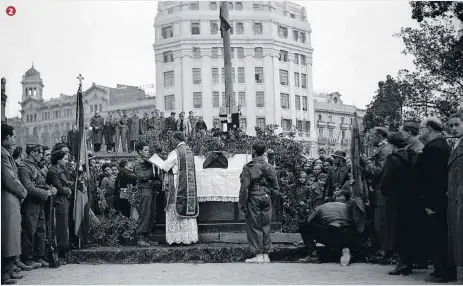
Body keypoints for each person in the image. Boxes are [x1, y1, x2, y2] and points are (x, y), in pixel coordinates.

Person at [379, 132, 421, 276]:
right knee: (408, 230)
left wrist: (384, 192)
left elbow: (386, 179)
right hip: (411, 198)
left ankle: (402, 263)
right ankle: (408, 262)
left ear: (392, 145)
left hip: (395, 199)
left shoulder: (392, 159)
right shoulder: (412, 155)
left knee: (395, 230)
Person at [419, 117, 455, 282]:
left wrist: (429, 203)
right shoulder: (440, 146)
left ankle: (443, 271)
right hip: (441, 198)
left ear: (429, 128)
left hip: (436, 200)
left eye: (421, 128)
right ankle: (441, 269)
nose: (420, 131)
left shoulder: (434, 148)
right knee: (440, 235)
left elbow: (433, 178)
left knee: (439, 235)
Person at [239, 141, 280, 263]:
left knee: (254, 225)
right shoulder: (270, 167)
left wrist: (242, 204)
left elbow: (244, 188)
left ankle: (258, 254)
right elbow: (276, 188)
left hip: (254, 197)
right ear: (264, 152)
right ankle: (266, 254)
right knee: (266, 225)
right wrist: (272, 200)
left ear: (253, 151)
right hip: (267, 197)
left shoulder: (249, 167)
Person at [18, 144, 57, 268]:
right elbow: (28, 187)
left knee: (41, 230)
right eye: (39, 152)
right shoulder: (24, 167)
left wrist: (49, 188)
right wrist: (47, 192)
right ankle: (28, 258)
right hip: (30, 202)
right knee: (29, 230)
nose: (41, 155)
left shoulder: (35, 166)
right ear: (32, 153)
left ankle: (39, 256)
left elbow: (40, 183)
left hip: (39, 202)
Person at [158, 131, 199, 245]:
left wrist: (160, 163)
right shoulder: (189, 151)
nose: (172, 141)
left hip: (176, 184)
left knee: (174, 206)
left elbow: (165, 167)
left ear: (176, 139)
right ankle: (188, 237)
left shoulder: (175, 152)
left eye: (172, 139)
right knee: (186, 208)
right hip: (188, 185)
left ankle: (177, 238)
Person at [298, 190, 355, 266]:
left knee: (303, 225)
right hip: (348, 234)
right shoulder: (346, 206)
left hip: (331, 232)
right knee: (343, 231)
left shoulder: (321, 207)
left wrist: (307, 239)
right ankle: (345, 249)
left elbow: (308, 222)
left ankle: (313, 255)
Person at [1, 124, 28, 284]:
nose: (14, 140)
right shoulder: (2, 154)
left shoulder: (5, 153)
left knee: (12, 234)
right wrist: (23, 192)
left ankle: (9, 270)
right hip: (7, 197)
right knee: (8, 235)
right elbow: (9, 178)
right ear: (7, 137)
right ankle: (4, 273)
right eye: (13, 137)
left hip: (11, 197)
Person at [361, 127, 392, 255]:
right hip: (375, 191)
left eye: (372, 136)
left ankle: (385, 251)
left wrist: (366, 162)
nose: (370, 138)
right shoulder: (378, 149)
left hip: (382, 192)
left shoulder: (385, 150)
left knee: (380, 222)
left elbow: (377, 171)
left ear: (380, 136)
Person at [46, 150, 73, 261]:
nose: (66, 161)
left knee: (64, 227)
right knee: (61, 228)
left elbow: (65, 184)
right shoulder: (53, 171)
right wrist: (68, 191)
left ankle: (63, 252)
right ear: (58, 160)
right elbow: (59, 187)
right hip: (57, 202)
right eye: (65, 159)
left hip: (62, 201)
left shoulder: (59, 170)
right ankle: (61, 253)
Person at [446, 113, 463, 282]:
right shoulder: (455, 143)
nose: (453, 129)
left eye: (456, 124)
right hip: (454, 196)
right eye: (450, 126)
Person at [133, 142, 159, 247]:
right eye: (146, 150)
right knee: (145, 214)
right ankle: (140, 238)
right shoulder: (138, 162)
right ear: (139, 151)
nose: (148, 152)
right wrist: (152, 169)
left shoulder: (147, 161)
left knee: (151, 214)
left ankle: (147, 237)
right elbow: (142, 176)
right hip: (144, 190)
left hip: (151, 189)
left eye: (149, 150)